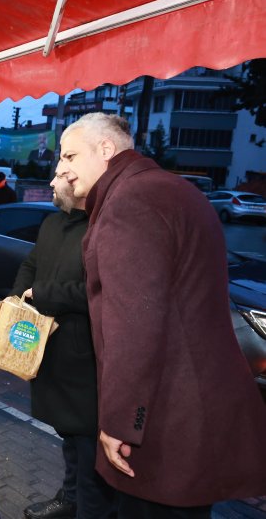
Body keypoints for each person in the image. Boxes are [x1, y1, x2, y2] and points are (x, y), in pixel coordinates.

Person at [58, 112, 266, 518]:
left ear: (105, 149)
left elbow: (135, 324)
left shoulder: (129, 202)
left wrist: (121, 422)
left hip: (166, 422)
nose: (61, 168)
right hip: (196, 413)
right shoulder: (170, 188)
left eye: (69, 155)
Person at [12, 171, 114, 519]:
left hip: (83, 360)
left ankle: (89, 506)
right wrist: (17, 298)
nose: (52, 183)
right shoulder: (52, 224)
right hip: (49, 352)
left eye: (61, 174)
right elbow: (31, 264)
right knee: (68, 437)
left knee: (87, 447)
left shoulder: (101, 228)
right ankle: (70, 498)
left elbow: (99, 291)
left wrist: (42, 293)